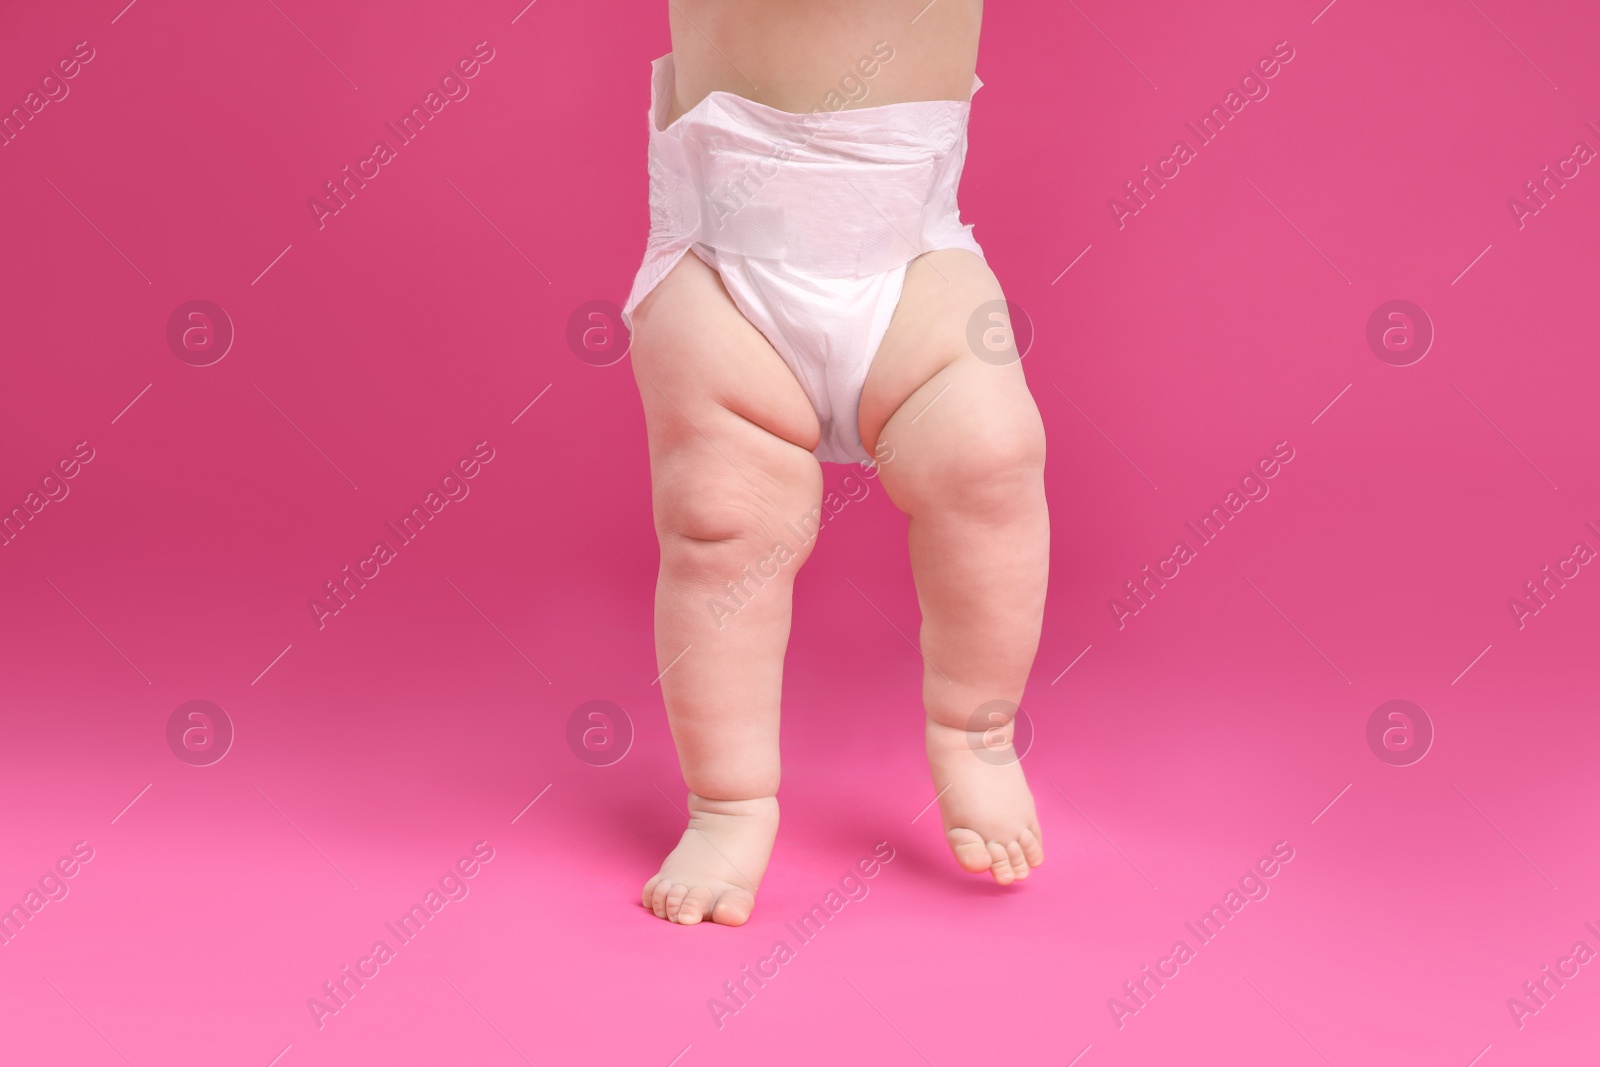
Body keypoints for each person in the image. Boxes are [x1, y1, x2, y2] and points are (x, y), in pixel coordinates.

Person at [623, 0, 1048, 926]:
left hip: (914, 258)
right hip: (723, 270)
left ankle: (973, 730)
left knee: (993, 461)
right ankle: (728, 801)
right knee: (718, 524)